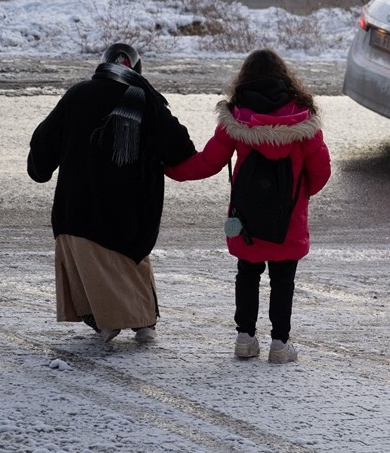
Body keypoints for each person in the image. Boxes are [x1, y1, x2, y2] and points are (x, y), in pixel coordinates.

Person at [167, 49, 330, 364]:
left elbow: (207, 163)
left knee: (247, 273)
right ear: (286, 79)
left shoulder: (236, 119)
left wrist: (168, 168)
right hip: (289, 220)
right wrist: (300, 197)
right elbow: (321, 173)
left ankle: (245, 338)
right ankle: (280, 344)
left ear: (245, 78)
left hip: (243, 219)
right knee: (283, 280)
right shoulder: (304, 121)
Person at [28, 43, 196, 344]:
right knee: (131, 263)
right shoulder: (145, 100)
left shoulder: (77, 95)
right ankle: (143, 325)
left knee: (90, 266)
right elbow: (180, 149)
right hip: (129, 217)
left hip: (76, 212)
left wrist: (40, 169)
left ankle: (105, 321)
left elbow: (42, 148)